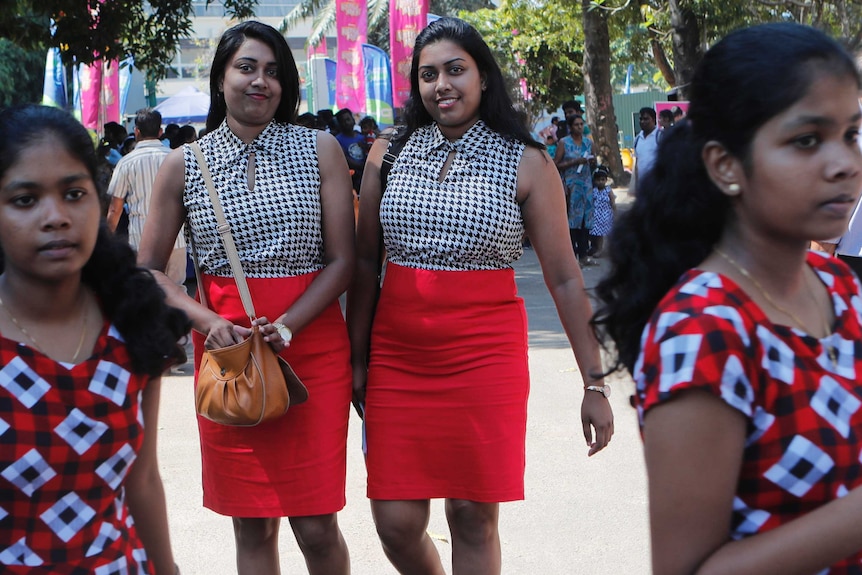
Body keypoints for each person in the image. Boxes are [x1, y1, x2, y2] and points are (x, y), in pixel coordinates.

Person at [592, 22, 862, 574]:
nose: (843, 162)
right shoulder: (702, 327)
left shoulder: (838, 286)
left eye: (852, 134)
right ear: (725, 164)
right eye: (806, 140)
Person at [348, 17, 613, 575]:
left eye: (455, 69)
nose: (441, 84)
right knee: (394, 522)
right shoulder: (386, 154)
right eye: (428, 75)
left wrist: (594, 381)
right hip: (398, 357)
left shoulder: (528, 160)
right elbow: (366, 262)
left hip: (484, 357)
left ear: (483, 77)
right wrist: (357, 358)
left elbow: (565, 277)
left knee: (471, 515)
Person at [137, 21, 355, 575]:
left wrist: (289, 323)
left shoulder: (320, 148)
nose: (261, 81)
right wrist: (206, 320)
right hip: (230, 358)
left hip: (312, 348)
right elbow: (147, 272)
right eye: (247, 68)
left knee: (316, 523)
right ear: (221, 78)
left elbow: (343, 261)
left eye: (273, 72)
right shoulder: (183, 164)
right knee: (252, 523)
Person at [0, 104, 188, 573]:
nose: (55, 217)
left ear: (99, 203)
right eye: (25, 199)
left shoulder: (132, 320)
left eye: (73, 193)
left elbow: (142, 482)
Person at [106, 108, 188, 285]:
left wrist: (106, 241)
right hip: (177, 240)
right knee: (178, 292)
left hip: (140, 241)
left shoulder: (126, 162)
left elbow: (115, 209)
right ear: (160, 132)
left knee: (147, 292)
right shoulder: (177, 158)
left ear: (136, 131)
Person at [554, 114, 595, 266]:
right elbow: (556, 164)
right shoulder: (564, 143)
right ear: (570, 127)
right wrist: (574, 162)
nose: (579, 127)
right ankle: (572, 255)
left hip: (586, 185)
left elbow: (593, 159)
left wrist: (592, 161)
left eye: (581, 124)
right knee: (572, 220)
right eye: (576, 124)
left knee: (585, 220)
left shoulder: (588, 142)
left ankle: (584, 254)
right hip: (571, 185)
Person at [334, 107, 367, 193]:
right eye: (343, 121)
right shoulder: (337, 140)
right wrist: (363, 167)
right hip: (351, 177)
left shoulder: (362, 137)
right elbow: (344, 159)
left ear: (353, 119)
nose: (346, 123)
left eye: (348, 119)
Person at [587, 165, 615, 258]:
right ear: (595, 181)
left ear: (606, 180)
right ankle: (597, 249)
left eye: (603, 179)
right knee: (596, 234)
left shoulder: (608, 190)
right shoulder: (594, 191)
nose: (600, 182)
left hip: (606, 215)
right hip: (596, 215)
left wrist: (615, 213)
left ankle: (605, 250)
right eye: (598, 180)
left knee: (604, 234)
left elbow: (612, 202)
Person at [632, 106, 659, 190]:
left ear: (654, 120)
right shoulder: (637, 139)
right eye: (641, 119)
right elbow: (636, 164)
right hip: (643, 187)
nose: (642, 122)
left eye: (646, 119)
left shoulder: (660, 136)